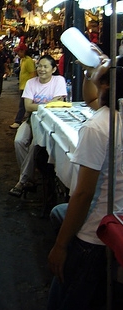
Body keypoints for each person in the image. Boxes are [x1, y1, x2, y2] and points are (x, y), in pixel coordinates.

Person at [47, 51, 123, 310]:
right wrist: (94, 71)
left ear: (108, 84)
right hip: (118, 218)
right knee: (59, 211)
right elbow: (91, 98)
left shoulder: (98, 126)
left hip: (95, 233)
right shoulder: (113, 114)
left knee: (64, 300)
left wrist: (60, 246)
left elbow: (83, 194)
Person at [8, 54, 67, 198]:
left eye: (45, 66)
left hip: (49, 123)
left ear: (53, 69)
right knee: (19, 141)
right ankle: (29, 178)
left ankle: (23, 181)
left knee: (35, 145)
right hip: (31, 119)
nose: (41, 69)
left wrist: (38, 105)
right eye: (39, 66)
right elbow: (28, 107)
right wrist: (50, 103)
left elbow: (38, 105)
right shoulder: (31, 83)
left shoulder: (59, 80)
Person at [9, 43, 37, 129]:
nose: (18, 53)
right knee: (24, 105)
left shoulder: (28, 61)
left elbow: (33, 74)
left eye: (19, 52)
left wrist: (32, 87)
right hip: (23, 86)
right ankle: (27, 121)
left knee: (22, 106)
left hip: (27, 87)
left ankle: (18, 121)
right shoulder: (23, 60)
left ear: (23, 51)